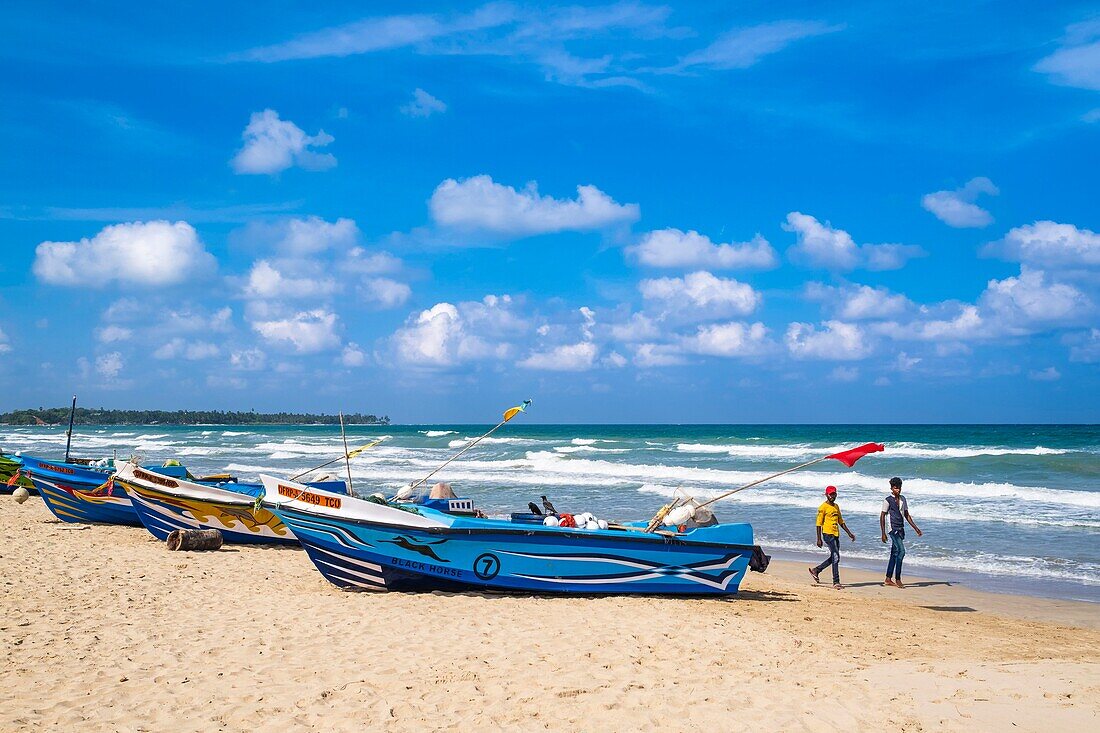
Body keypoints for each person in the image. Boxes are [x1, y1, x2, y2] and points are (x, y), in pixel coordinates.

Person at [809, 486, 856, 589]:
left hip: (835, 534)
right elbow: (818, 523)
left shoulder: (836, 506)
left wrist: (849, 533)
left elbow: (841, 521)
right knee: (836, 557)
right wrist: (819, 538)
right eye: (830, 494)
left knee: (834, 557)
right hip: (827, 534)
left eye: (834, 494)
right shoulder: (823, 507)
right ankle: (836, 582)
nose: (832, 496)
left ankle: (816, 570)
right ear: (826, 495)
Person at [880, 476, 922, 588]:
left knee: (894, 553)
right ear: (891, 488)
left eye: (899, 487)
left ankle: (888, 579)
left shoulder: (903, 499)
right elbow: (882, 516)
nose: (898, 490)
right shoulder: (887, 500)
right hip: (892, 529)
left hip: (900, 528)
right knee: (901, 551)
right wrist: (883, 533)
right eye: (895, 488)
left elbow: (907, 515)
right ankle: (898, 579)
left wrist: (916, 528)